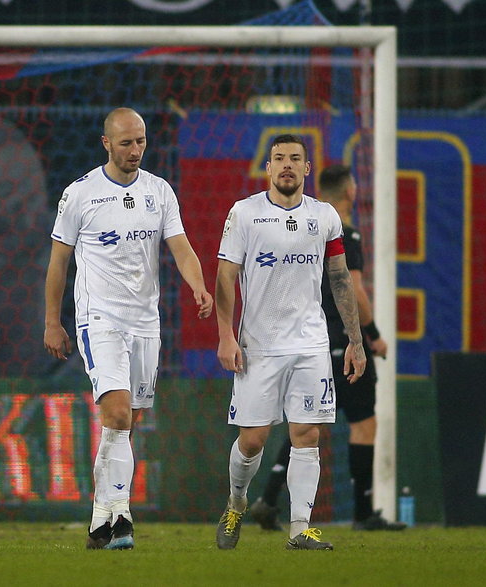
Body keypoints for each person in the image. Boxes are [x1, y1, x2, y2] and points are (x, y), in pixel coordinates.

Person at [44, 107, 213, 550]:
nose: (135, 150)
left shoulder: (159, 191)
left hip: (145, 320)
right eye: (125, 143)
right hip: (99, 317)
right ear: (106, 143)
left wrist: (198, 286)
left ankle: (100, 519)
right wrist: (52, 321)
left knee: (127, 424)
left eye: (140, 141)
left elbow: (181, 247)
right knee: (117, 414)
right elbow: (59, 263)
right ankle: (122, 517)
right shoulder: (80, 194)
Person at [214, 136, 367, 551]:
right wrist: (226, 336)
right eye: (278, 158)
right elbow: (225, 277)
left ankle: (300, 527)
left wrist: (356, 339)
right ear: (268, 168)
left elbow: (339, 277)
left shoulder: (325, 216)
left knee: (307, 434)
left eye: (294, 159)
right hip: (259, 346)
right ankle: (236, 503)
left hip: (311, 344)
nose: (286, 165)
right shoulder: (245, 213)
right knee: (253, 441)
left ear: (307, 168)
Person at [248, 164, 405, 532]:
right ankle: (364, 513)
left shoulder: (309, 227)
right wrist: (372, 334)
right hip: (343, 342)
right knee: (364, 424)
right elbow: (354, 289)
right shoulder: (343, 232)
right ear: (350, 191)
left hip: (310, 340)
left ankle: (268, 499)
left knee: (306, 425)